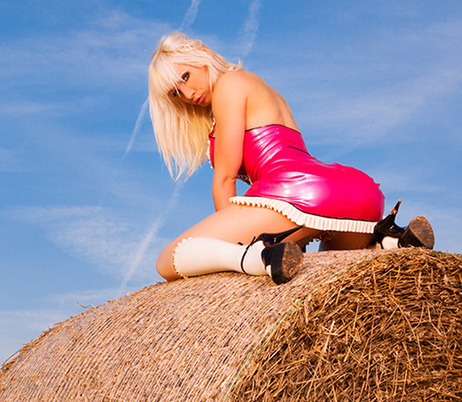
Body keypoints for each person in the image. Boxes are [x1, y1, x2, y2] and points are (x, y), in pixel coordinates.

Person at [148, 32, 432, 285]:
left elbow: (225, 177)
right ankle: (387, 241)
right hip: (355, 191)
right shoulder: (260, 86)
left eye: (185, 77)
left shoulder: (229, 84)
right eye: (176, 93)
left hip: (293, 195)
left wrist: (234, 243)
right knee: (329, 279)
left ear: (204, 55)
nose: (186, 94)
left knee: (167, 260)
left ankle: (253, 257)